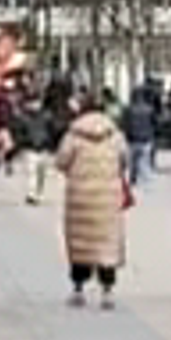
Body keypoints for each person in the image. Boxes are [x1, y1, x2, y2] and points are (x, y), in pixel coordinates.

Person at [59, 92, 129, 306]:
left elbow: (62, 161)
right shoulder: (115, 135)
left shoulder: (73, 135)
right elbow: (124, 159)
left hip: (79, 197)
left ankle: (78, 289)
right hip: (108, 198)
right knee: (106, 244)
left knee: (80, 243)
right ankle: (107, 290)